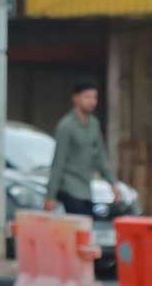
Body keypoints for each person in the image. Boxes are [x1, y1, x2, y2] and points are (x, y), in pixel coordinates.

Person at [44, 81, 121, 215]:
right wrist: (50, 195)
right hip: (69, 188)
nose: (92, 101)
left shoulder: (94, 124)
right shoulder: (66, 126)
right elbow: (58, 161)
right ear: (76, 98)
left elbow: (100, 157)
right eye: (87, 97)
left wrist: (113, 184)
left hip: (86, 188)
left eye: (94, 97)